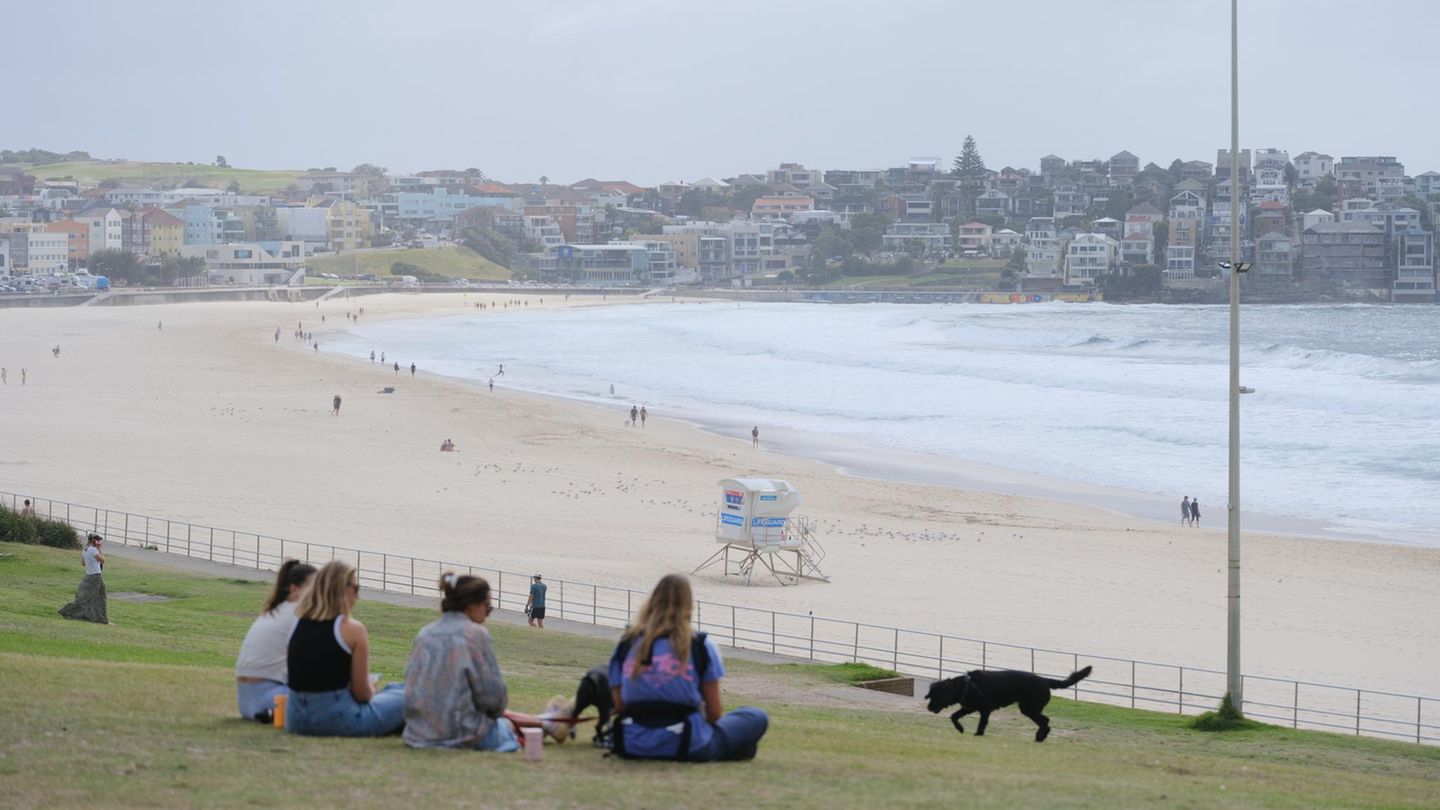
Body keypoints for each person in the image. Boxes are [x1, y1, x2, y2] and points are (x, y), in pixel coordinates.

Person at [402, 573, 573, 751]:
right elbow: (495, 700)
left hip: (418, 734)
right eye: (488, 607)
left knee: (497, 718)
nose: (487, 614)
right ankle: (547, 723)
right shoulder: (475, 634)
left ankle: (548, 722)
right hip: (459, 735)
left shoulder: (424, 633)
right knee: (504, 725)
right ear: (471, 606)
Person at [608, 574, 767, 761]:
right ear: (689, 606)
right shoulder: (701, 645)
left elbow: (620, 705)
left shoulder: (627, 643)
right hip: (686, 743)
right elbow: (715, 713)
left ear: (651, 602)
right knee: (755, 716)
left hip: (633, 743)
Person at [285, 561, 405, 736]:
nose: (358, 596)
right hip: (338, 719)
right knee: (411, 694)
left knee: (394, 690)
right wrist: (371, 688)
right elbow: (362, 694)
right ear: (342, 589)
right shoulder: (352, 629)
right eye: (356, 589)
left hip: (296, 719)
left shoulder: (296, 623)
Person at [236, 560, 317, 722]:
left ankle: (274, 714)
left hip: (247, 701)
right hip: (270, 698)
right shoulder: (297, 615)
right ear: (295, 589)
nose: (318, 594)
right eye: (313, 589)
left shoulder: (275, 611)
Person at [59, 533, 109, 624]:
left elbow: (83, 563)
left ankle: (101, 618)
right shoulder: (94, 550)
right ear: (93, 540)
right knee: (99, 597)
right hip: (96, 576)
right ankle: (101, 619)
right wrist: (99, 549)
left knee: (99, 597)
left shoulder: (85, 550)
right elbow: (103, 560)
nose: (99, 542)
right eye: (97, 540)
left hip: (89, 575)